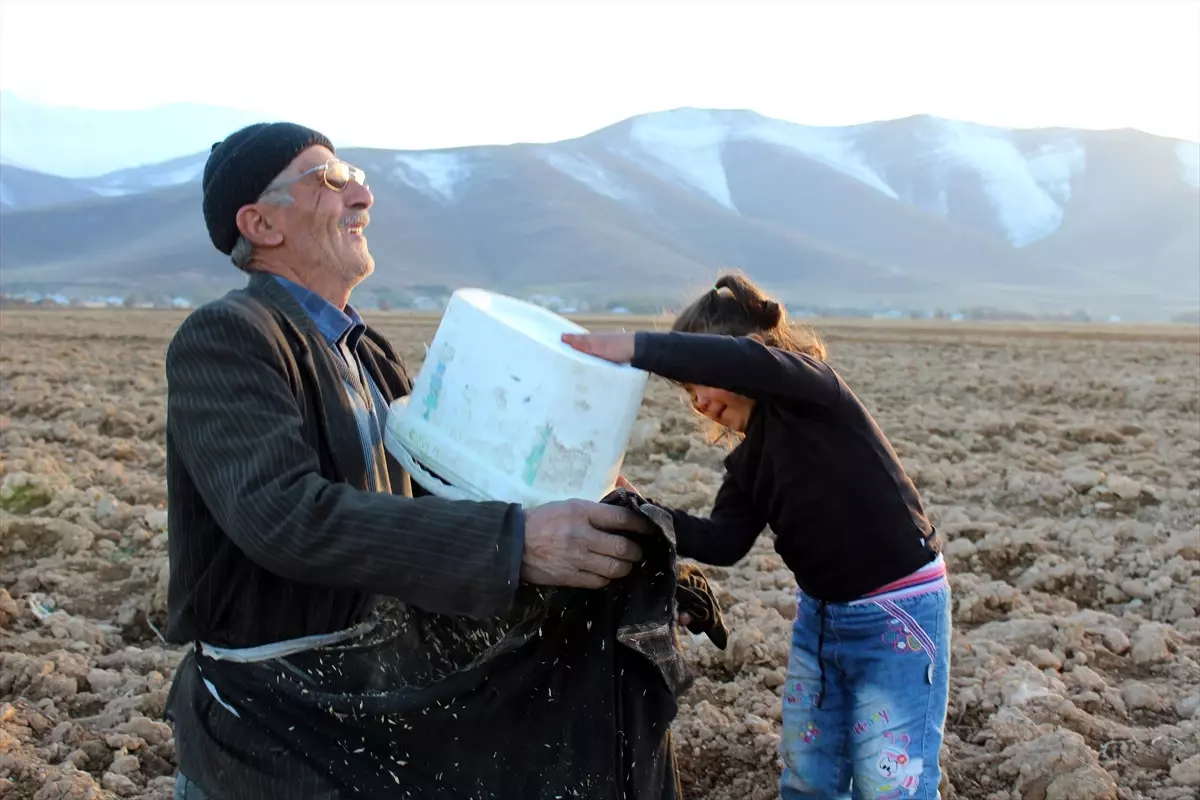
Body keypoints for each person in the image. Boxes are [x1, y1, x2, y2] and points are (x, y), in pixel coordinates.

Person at [162, 121, 662, 798]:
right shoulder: (229, 337)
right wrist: (515, 543)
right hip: (263, 733)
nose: (362, 194)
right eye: (331, 179)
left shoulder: (368, 354)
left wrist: (575, 525)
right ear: (261, 223)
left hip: (364, 706)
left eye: (355, 174)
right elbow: (282, 516)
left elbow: (440, 490)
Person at [563, 272, 951, 800]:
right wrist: (638, 510)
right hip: (822, 620)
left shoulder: (815, 393)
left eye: (698, 378)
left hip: (898, 614)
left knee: (892, 781)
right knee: (809, 773)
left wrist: (634, 348)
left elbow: (742, 362)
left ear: (749, 353)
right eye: (686, 391)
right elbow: (724, 541)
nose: (697, 400)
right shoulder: (748, 460)